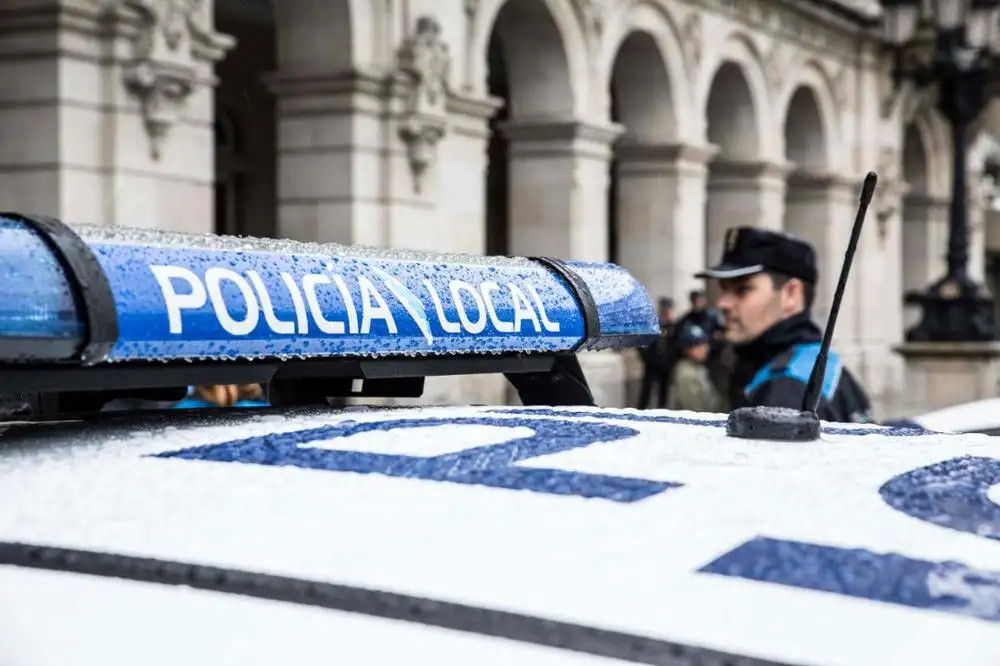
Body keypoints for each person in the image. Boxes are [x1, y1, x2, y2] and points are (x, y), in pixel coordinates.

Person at [695, 226, 872, 423]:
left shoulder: (786, 388)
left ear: (791, 294)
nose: (723, 303)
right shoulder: (816, 361)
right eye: (724, 290)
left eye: (742, 289)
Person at [666, 322, 724, 413]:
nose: (706, 348)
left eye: (705, 344)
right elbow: (694, 409)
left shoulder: (699, 367)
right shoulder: (685, 373)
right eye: (699, 345)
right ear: (687, 349)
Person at [636, 297, 676, 409]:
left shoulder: (673, 326)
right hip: (652, 363)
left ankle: (661, 410)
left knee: (664, 393)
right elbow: (642, 344)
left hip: (666, 364)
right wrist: (648, 358)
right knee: (647, 392)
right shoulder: (653, 325)